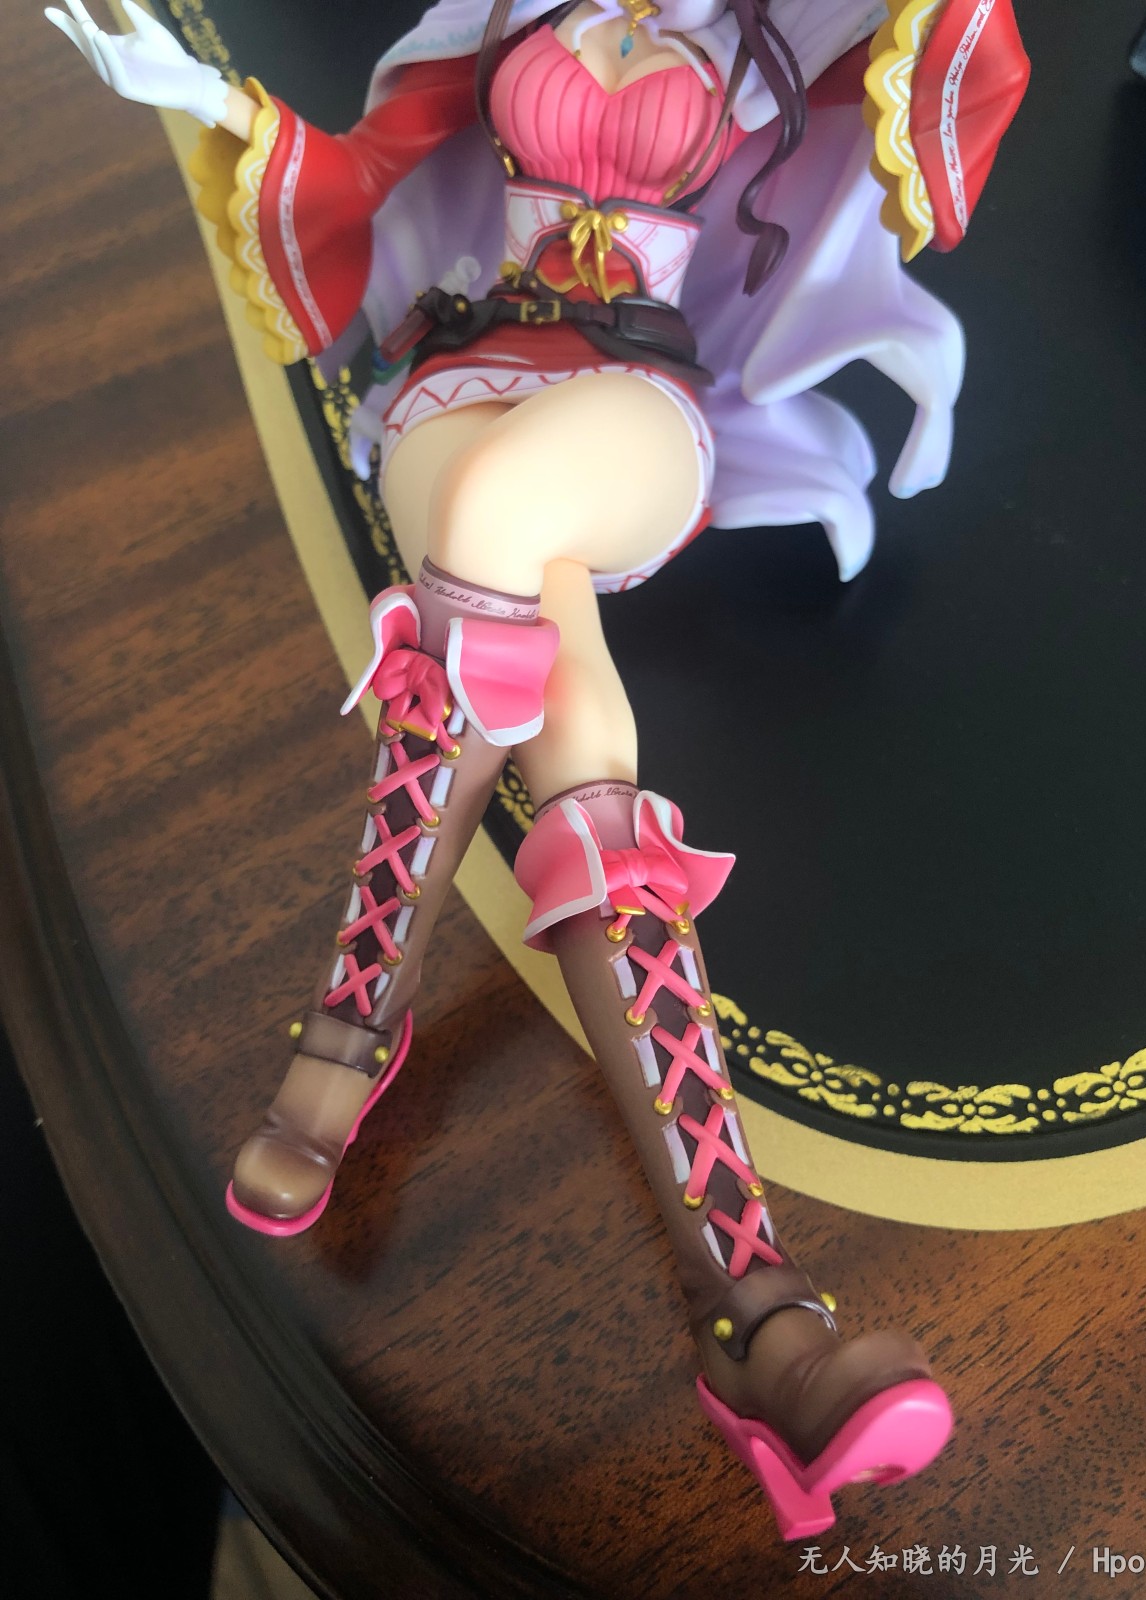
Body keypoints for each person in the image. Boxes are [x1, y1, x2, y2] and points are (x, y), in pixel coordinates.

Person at [47, 0, 1028, 1538]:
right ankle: (756, 1310)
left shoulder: (775, 33)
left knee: (499, 521)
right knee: (578, 725)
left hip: (633, 403)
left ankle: (354, 1020)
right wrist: (201, 101)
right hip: (457, 380)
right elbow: (359, 165)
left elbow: (950, 72)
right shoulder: (508, 12)